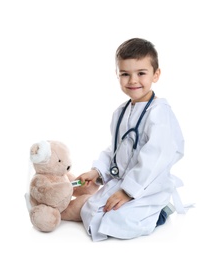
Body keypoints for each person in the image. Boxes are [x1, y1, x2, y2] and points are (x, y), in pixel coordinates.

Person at [74, 38, 186, 241]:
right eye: (125, 74)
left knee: (120, 221)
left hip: (148, 185)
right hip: (124, 180)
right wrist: (97, 170)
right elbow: (116, 149)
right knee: (92, 209)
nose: (133, 80)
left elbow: (156, 157)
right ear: (117, 75)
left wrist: (128, 192)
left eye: (141, 73)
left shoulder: (159, 113)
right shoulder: (121, 112)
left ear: (156, 74)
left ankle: (160, 212)